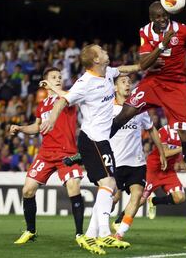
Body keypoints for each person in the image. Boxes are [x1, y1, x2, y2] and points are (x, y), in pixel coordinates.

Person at [40, 44, 142, 255]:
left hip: (102, 140)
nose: (106, 51)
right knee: (108, 184)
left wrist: (144, 65)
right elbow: (62, 101)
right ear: (96, 60)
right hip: (92, 140)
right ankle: (104, 234)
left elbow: (126, 69)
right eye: (102, 51)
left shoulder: (108, 73)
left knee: (108, 187)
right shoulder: (85, 83)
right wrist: (51, 117)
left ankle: (89, 235)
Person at [109, 1, 186, 205]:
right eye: (158, 17)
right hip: (153, 82)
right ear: (151, 18)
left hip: (177, 87)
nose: (162, 20)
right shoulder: (145, 32)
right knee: (124, 114)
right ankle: (88, 151)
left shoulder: (184, 31)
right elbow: (144, 64)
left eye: (165, 16)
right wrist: (161, 47)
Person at [10, 67, 85, 246]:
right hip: (46, 153)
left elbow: (67, 96)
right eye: (54, 77)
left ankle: (80, 234)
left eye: (59, 77)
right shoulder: (42, 105)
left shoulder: (67, 97)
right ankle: (30, 230)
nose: (58, 79)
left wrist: (53, 87)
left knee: (73, 187)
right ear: (46, 81)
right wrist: (20, 128)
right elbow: (37, 128)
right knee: (27, 190)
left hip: (67, 153)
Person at [109, 75, 165, 240]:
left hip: (136, 162)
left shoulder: (139, 109)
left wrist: (161, 152)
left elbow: (152, 129)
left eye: (129, 82)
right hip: (114, 162)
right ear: (114, 88)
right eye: (123, 82)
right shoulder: (108, 109)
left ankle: (120, 233)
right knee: (113, 198)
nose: (127, 84)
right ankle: (101, 227)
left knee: (137, 195)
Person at [113, 124, 186, 228]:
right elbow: (164, 153)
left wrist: (181, 161)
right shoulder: (165, 130)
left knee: (180, 197)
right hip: (154, 169)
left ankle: (154, 201)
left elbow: (183, 154)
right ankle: (119, 220)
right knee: (140, 199)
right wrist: (182, 148)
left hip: (168, 171)